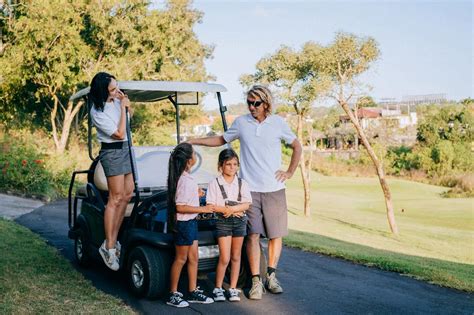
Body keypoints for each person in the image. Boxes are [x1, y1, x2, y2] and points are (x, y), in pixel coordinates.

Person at [188, 85, 302, 300]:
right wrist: (193, 140)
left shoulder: (278, 123)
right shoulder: (241, 123)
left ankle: (271, 275)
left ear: (266, 103)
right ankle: (256, 280)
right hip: (249, 191)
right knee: (253, 234)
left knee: (276, 235)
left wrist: (289, 171)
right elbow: (221, 140)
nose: (252, 107)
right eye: (249, 102)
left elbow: (297, 146)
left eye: (256, 103)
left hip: (274, 189)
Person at [89, 72, 134, 271]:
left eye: (117, 87)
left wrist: (127, 106)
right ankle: (108, 246)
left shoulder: (116, 101)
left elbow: (129, 123)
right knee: (115, 198)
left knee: (127, 195)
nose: (117, 92)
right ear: (102, 91)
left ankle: (114, 240)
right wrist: (123, 109)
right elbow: (119, 133)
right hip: (112, 153)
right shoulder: (96, 112)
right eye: (113, 89)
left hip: (126, 150)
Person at [166, 142, 215, 308]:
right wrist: (203, 208)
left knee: (194, 258)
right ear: (189, 160)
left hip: (191, 223)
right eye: (194, 153)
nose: (196, 156)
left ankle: (193, 290)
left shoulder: (186, 178)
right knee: (181, 259)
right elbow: (180, 207)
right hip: (184, 224)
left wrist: (196, 193)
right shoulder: (184, 180)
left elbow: (185, 197)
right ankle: (173, 293)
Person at [207, 149, 252, 302]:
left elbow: (247, 204)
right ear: (221, 165)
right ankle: (218, 288)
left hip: (240, 222)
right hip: (223, 222)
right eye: (228, 164)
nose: (232, 167)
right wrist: (227, 210)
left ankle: (233, 288)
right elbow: (211, 205)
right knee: (225, 258)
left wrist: (232, 209)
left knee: (235, 256)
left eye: (235, 164)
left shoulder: (242, 183)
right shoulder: (215, 183)